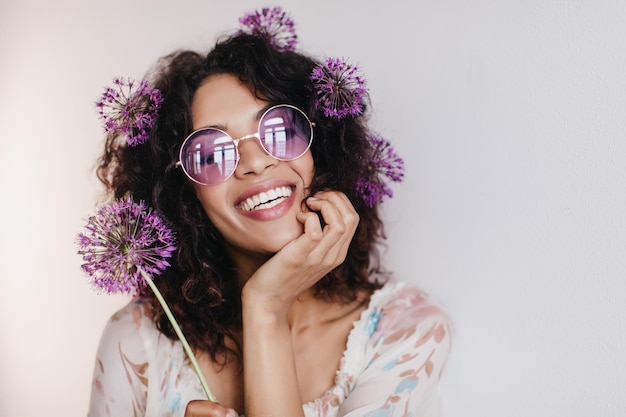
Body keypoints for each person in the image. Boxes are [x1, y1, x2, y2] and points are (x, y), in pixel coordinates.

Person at [87, 7, 451, 417]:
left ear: (322, 149)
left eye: (277, 130)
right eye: (211, 152)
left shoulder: (407, 331)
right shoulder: (136, 343)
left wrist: (265, 308)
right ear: (183, 194)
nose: (255, 162)